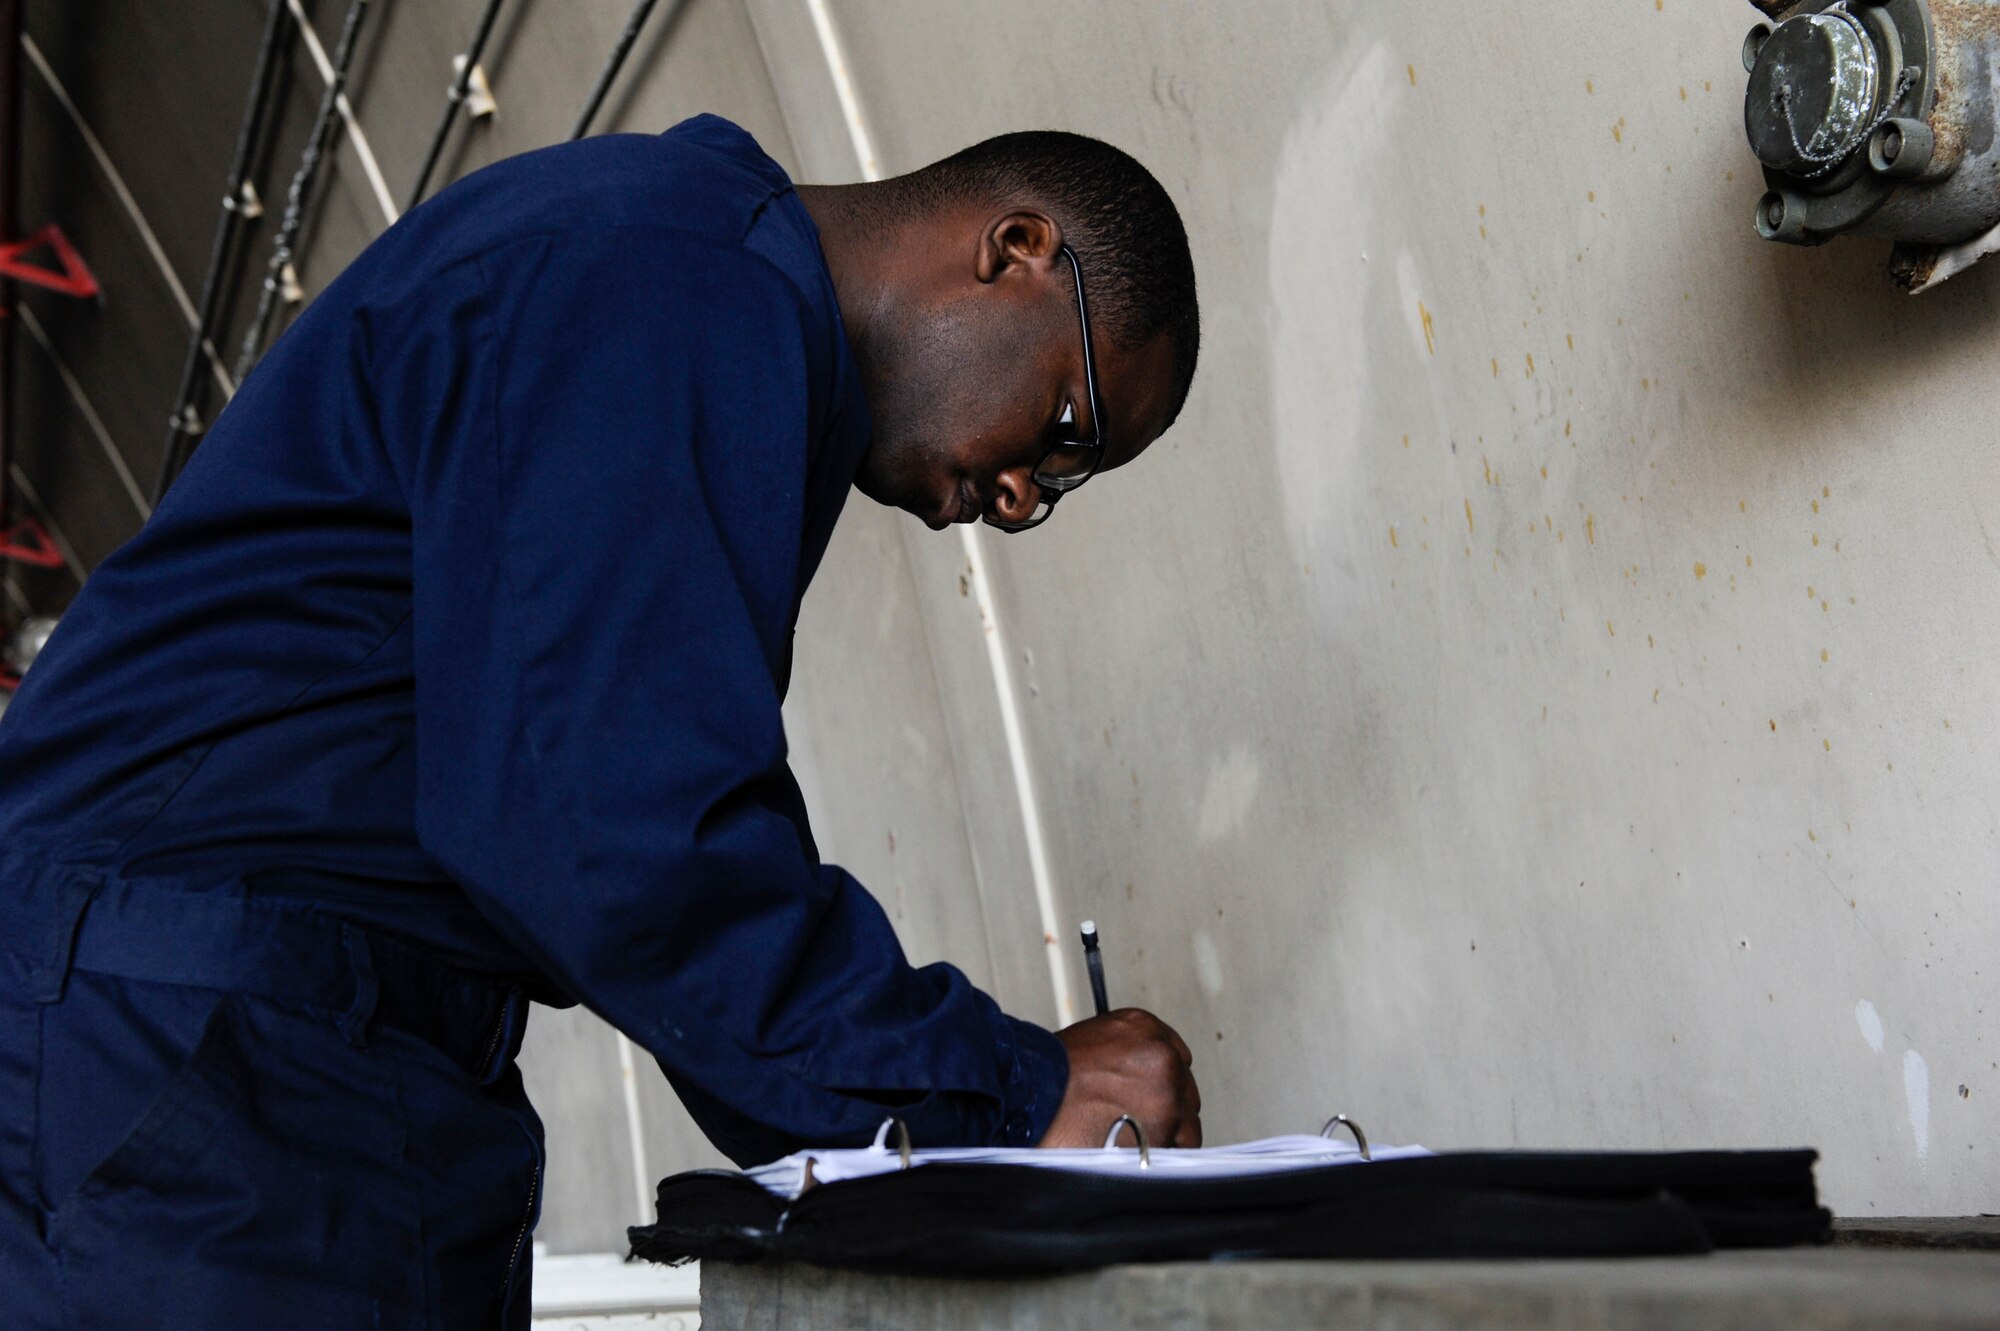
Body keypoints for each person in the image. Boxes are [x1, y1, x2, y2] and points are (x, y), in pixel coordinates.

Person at [0, 113, 1201, 1328]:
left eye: (1055, 488)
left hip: (281, 1064)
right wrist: (1006, 1093)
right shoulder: (662, 274)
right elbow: (618, 830)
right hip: (198, 1056)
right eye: (1062, 430)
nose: (1015, 497)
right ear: (1014, 247)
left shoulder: (697, 295)